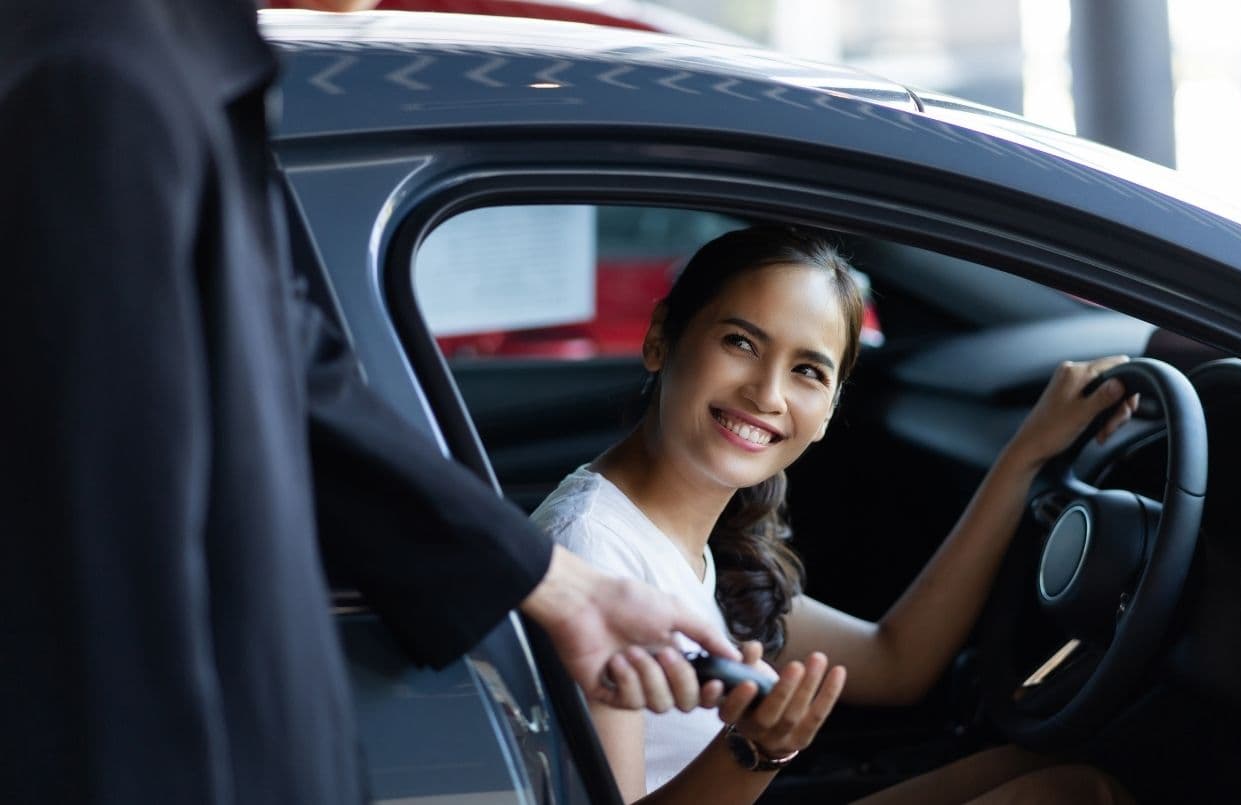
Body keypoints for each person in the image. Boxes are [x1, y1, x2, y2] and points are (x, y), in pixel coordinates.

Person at [0, 1, 735, 802]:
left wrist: (567, 589)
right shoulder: (97, 77)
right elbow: (98, 589)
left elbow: (299, 377)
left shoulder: (164, 61)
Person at [533, 225, 1139, 804]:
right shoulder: (593, 550)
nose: (767, 394)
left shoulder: (695, 543)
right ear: (661, 337)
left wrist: (1027, 453)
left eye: (807, 371)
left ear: (827, 410)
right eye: (740, 343)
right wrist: (755, 752)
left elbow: (897, 661)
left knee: (1052, 772)